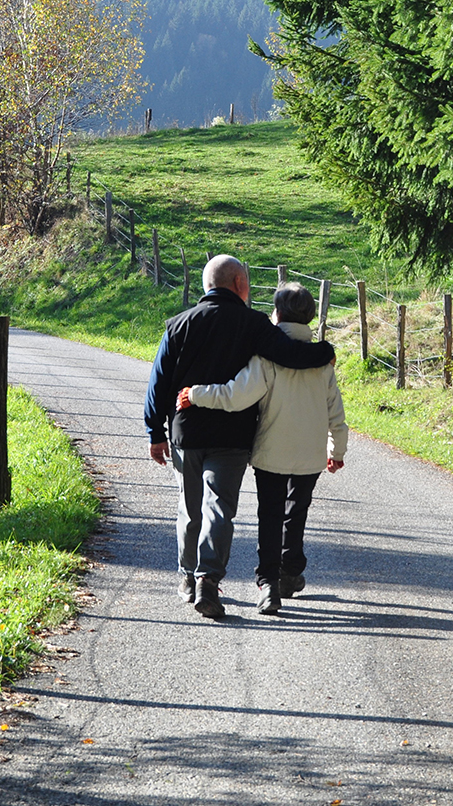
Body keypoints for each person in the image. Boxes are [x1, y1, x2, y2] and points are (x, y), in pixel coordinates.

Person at [144, 256, 335, 620]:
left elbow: (159, 383)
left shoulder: (178, 325)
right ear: (238, 283)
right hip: (233, 437)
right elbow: (290, 355)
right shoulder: (254, 324)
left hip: (186, 431)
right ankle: (208, 580)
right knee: (220, 508)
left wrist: (155, 431)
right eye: (246, 282)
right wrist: (325, 352)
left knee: (189, 507)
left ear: (207, 285)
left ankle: (187, 578)